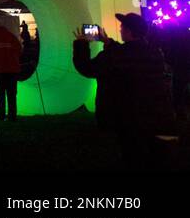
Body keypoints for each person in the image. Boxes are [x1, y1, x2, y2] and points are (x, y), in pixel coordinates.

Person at [72, 13, 177, 169]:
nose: (120, 30)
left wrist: (81, 44)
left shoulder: (115, 55)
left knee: (132, 154)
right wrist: (108, 42)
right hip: (155, 113)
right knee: (154, 156)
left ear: (128, 31)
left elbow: (87, 68)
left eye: (122, 27)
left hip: (127, 115)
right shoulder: (154, 52)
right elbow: (130, 54)